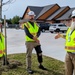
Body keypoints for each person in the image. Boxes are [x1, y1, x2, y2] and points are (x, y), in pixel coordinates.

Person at [55, 9, 75, 75]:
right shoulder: (70, 28)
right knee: (68, 71)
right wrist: (60, 35)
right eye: (73, 17)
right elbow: (67, 37)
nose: (74, 19)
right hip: (68, 54)